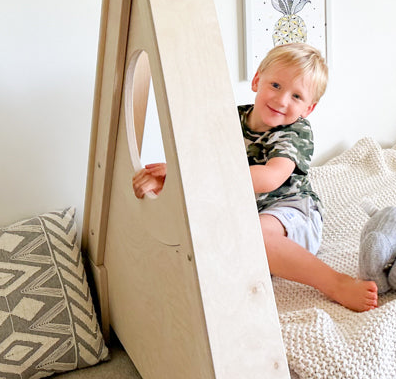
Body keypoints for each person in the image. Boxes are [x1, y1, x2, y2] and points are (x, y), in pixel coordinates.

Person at [132, 42, 378, 312]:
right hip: (244, 210)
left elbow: (270, 177)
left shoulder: (295, 132)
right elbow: (202, 163)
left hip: (292, 210)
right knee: (200, 232)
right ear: (257, 81)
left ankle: (336, 283)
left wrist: (186, 176)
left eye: (297, 96)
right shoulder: (231, 118)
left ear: (308, 109)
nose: (282, 100)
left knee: (254, 234)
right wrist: (169, 179)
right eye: (275, 86)